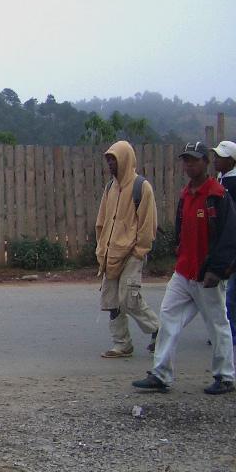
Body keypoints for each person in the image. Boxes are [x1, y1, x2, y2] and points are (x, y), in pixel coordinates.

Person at [132, 142, 236, 395]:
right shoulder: (186, 193)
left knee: (217, 324)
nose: (189, 165)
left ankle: (225, 377)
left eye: (194, 160)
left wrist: (217, 269)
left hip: (206, 275)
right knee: (168, 318)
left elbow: (229, 236)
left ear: (206, 162)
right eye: (186, 160)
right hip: (183, 272)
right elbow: (182, 229)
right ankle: (160, 374)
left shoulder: (217, 195)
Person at [95, 140, 160, 358]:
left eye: (114, 159)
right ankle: (122, 344)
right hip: (110, 253)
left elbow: (147, 224)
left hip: (132, 252)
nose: (110, 164)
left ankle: (158, 329)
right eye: (108, 160)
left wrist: (140, 251)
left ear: (125, 159)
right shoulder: (109, 188)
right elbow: (102, 220)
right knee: (112, 300)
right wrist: (101, 246)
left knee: (129, 298)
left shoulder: (142, 187)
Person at [212, 140, 236, 345]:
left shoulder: (232, 185)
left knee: (230, 294)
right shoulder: (222, 180)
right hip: (224, 246)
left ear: (232, 161)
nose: (215, 160)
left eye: (220, 157)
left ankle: (231, 333)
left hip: (232, 247)